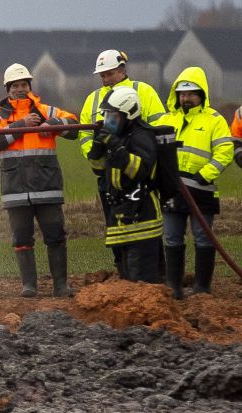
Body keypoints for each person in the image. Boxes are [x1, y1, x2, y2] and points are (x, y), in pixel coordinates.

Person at [0, 63, 79, 298]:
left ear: (29, 86)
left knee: (56, 235)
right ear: (7, 89)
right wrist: (20, 126)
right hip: (15, 190)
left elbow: (75, 126)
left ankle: (61, 286)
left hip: (47, 188)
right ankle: (29, 286)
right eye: (15, 85)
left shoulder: (46, 111)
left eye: (24, 84)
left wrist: (54, 124)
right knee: (21, 238)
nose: (20, 89)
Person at [79, 50, 166, 277]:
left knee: (145, 244)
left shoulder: (143, 91)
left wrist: (123, 146)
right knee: (118, 235)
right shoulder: (94, 98)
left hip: (139, 177)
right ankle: (125, 277)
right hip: (111, 178)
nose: (105, 79)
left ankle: (151, 280)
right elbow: (86, 136)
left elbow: (160, 128)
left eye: (108, 74)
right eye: (102, 75)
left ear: (121, 69)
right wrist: (97, 152)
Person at [158, 68, 233, 298]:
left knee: (203, 237)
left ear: (201, 94)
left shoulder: (214, 120)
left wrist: (206, 174)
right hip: (172, 190)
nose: (185, 98)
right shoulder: (166, 120)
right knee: (171, 237)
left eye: (190, 94)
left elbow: (225, 151)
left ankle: (202, 287)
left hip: (201, 191)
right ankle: (175, 287)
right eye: (181, 94)